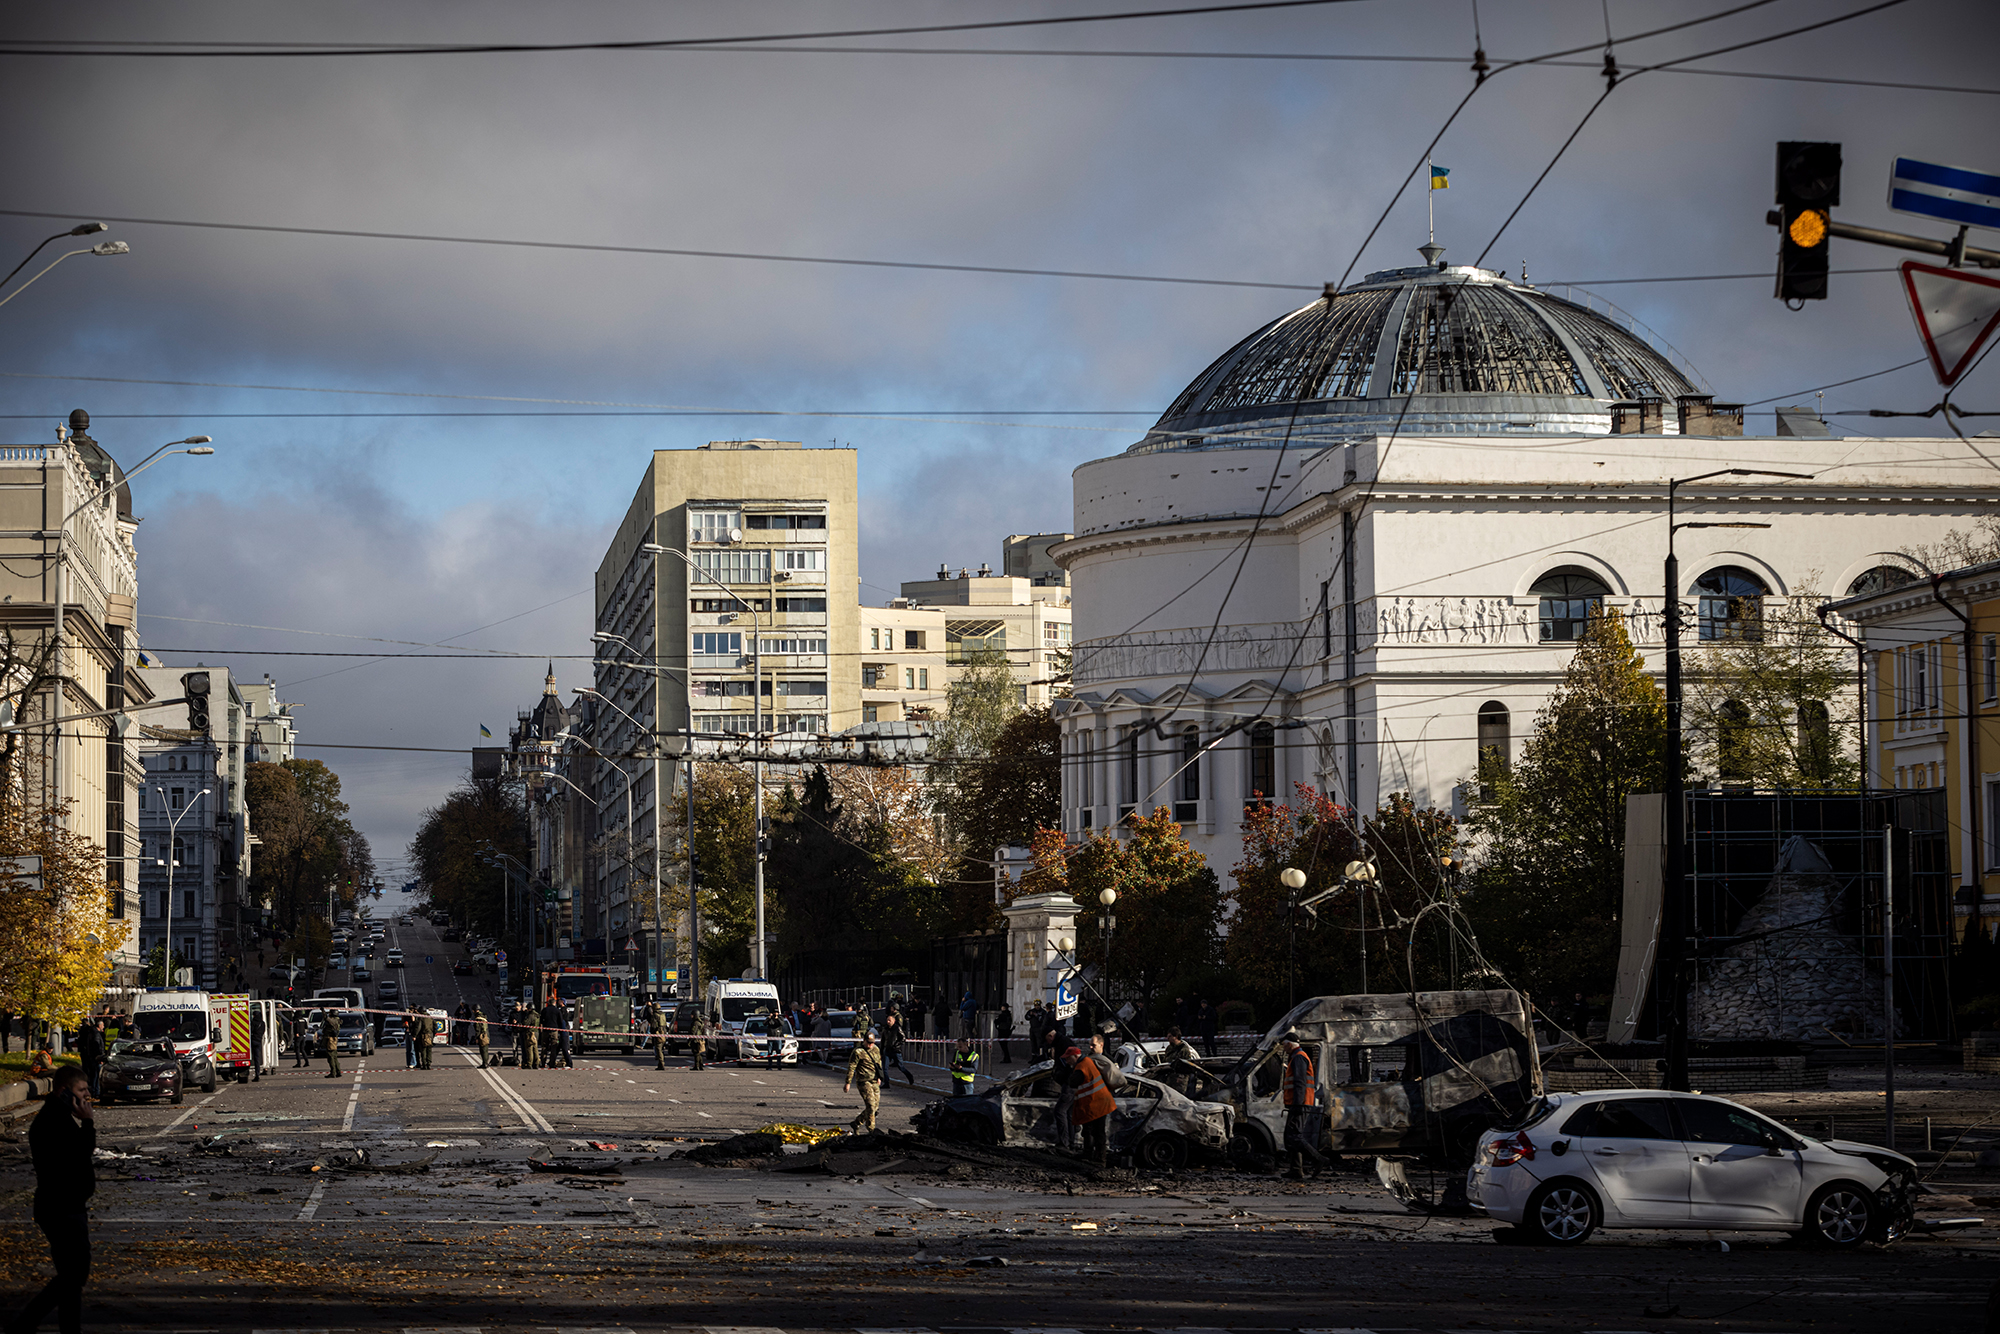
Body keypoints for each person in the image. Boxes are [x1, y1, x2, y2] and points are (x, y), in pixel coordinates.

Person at [13, 1067, 95, 1334]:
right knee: (74, 1274)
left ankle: (65, 1328)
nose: (87, 1096)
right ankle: (26, 1321)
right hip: (62, 1207)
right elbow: (79, 1155)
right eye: (81, 1090)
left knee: (71, 1277)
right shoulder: (54, 1121)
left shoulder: (58, 1117)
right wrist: (88, 1123)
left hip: (64, 1205)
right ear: (64, 1092)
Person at [1058, 1045, 1116, 1165]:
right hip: (1096, 1102)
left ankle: (1100, 1159)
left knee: (1097, 1132)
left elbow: (1072, 1082)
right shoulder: (1087, 1061)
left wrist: (1067, 1071)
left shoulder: (1081, 1067)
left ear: (1075, 1056)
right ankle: (1089, 1155)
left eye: (1068, 1059)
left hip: (1097, 1103)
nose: (1067, 1061)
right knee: (1090, 1130)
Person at [1280, 1032, 1326, 1181]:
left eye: (1284, 1045)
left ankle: (1318, 1159)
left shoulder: (1298, 1057)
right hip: (1299, 1102)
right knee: (1292, 1136)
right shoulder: (1297, 1056)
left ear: (1289, 1044)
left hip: (1300, 1102)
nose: (1283, 1048)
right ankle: (1295, 1169)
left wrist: (1298, 1103)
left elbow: (1299, 1082)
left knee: (1294, 1136)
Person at [844, 1030, 884, 1132]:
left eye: (872, 1043)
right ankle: (871, 1130)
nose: (871, 1045)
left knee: (875, 1107)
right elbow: (851, 1067)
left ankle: (857, 1122)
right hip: (863, 1081)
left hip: (874, 1080)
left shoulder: (876, 1049)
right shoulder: (858, 1052)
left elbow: (878, 1063)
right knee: (870, 1105)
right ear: (864, 1040)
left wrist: (879, 1077)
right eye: (869, 1042)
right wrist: (848, 1082)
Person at [879, 1012, 915, 1087]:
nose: (888, 1022)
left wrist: (896, 1045)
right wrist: (881, 1052)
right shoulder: (885, 1029)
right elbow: (882, 1041)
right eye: (887, 1020)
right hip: (887, 1050)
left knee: (900, 1066)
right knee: (884, 1068)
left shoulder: (897, 1028)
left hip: (895, 1051)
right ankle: (886, 1083)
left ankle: (910, 1077)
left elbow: (903, 1038)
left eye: (890, 1020)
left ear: (894, 1021)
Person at [75, 1019, 103, 1100]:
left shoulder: (89, 1032)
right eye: (102, 1025)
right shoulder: (95, 1034)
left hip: (88, 1056)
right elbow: (97, 1046)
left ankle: (94, 1091)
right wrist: (99, 1057)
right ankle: (95, 1092)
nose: (103, 1027)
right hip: (95, 1057)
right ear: (99, 1025)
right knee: (96, 1075)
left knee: (93, 1074)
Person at [321, 1009, 342, 1078]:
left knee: (331, 1057)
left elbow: (326, 1018)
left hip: (330, 1040)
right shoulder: (337, 1020)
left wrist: (323, 1011)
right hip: (333, 1040)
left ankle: (333, 1073)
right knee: (335, 1056)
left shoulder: (333, 1020)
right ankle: (338, 1071)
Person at [646, 1002, 666, 1070]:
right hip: (663, 1033)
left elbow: (654, 1025)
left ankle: (661, 1064)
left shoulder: (655, 1015)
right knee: (661, 1049)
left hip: (657, 1033)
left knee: (658, 1049)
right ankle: (660, 1064)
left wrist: (652, 1032)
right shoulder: (662, 1014)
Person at [249, 1009, 266, 1082]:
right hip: (259, 1041)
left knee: (250, 1057)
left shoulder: (253, 1022)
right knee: (257, 1059)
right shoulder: (262, 1023)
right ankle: (257, 1074)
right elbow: (263, 1031)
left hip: (252, 1040)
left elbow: (251, 1030)